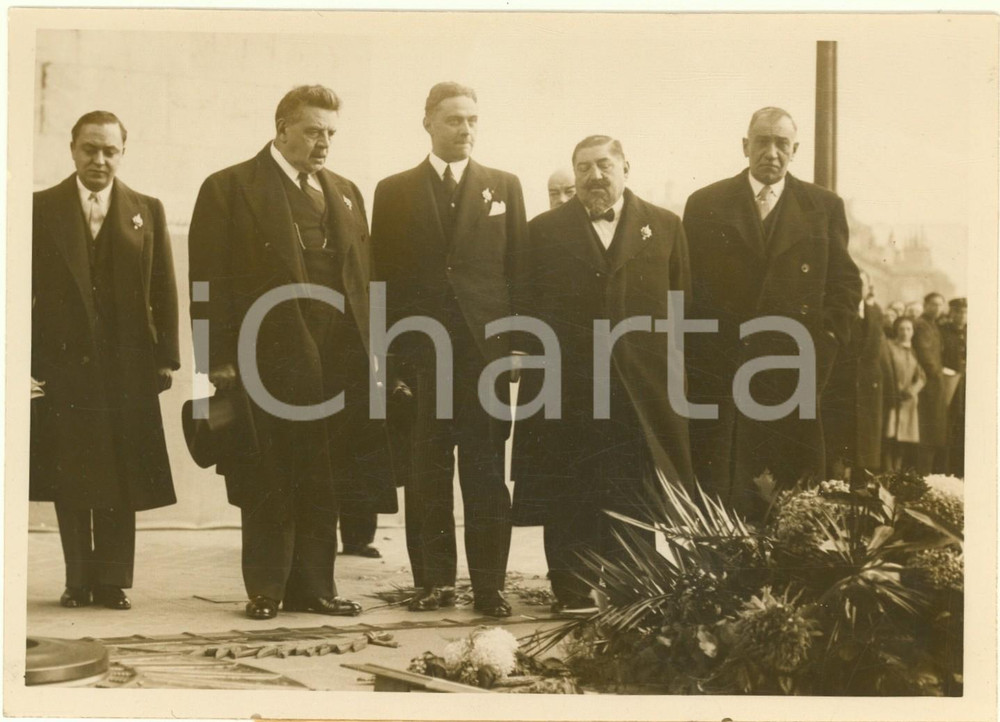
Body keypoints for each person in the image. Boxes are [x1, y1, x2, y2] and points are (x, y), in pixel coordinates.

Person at [188, 85, 394, 620]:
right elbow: (206, 282)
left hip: (338, 357)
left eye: (330, 133)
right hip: (266, 354)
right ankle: (266, 588)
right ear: (281, 128)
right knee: (268, 471)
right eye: (312, 131)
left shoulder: (346, 191)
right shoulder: (229, 187)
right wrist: (215, 358)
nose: (323, 142)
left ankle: (316, 588)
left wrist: (372, 352)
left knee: (324, 472)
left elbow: (362, 280)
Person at [512, 135, 694, 611]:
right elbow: (526, 308)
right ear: (574, 174)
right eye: (584, 167)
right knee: (570, 488)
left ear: (626, 167)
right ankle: (571, 589)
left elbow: (682, 311)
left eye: (604, 165)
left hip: (640, 389)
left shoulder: (666, 226)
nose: (594, 176)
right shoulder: (544, 231)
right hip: (568, 384)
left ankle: (634, 591)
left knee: (634, 490)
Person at [370, 82, 528, 618]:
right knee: (426, 472)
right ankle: (434, 581)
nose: (466, 130)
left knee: (485, 473)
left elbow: (518, 274)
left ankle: (489, 586)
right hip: (422, 356)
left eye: (473, 120)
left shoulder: (504, 186)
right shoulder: (393, 191)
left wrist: (518, 353)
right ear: (428, 123)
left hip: (485, 358)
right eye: (455, 120)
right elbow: (382, 283)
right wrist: (391, 362)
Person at [31, 110, 179, 610]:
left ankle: (112, 580)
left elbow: (164, 287)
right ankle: (77, 579)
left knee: (122, 469)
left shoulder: (147, 209)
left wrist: (167, 358)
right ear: (72, 149)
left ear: (122, 152)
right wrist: (23, 363)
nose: (99, 159)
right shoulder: (38, 207)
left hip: (127, 365)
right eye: (89, 149)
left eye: (109, 150)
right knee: (69, 472)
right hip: (63, 364)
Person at [683, 107, 862, 520]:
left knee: (788, 492)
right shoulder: (705, 203)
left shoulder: (822, 206)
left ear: (794, 150)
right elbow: (686, 289)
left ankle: (780, 581)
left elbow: (844, 287)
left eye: (781, 143)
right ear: (745, 146)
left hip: (792, 373)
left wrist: (824, 350)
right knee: (720, 491)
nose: (771, 152)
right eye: (762, 141)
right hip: (722, 374)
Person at [822, 270, 887, 481]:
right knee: (839, 442)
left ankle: (861, 493)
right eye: (856, 283)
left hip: (868, 389)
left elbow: (878, 352)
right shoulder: (840, 311)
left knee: (865, 448)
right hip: (842, 386)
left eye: (864, 284)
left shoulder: (876, 313)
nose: (860, 288)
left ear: (869, 288)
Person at [912, 292, 949, 474]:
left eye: (940, 305)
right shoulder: (921, 325)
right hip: (927, 384)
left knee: (933, 430)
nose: (937, 308)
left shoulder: (933, 326)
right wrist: (937, 374)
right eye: (933, 304)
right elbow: (926, 356)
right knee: (927, 430)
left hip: (936, 384)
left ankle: (925, 474)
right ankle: (921, 474)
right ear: (925, 304)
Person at [883, 316, 926, 471]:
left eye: (908, 329)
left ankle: (898, 471)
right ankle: (888, 472)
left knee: (903, 438)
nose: (905, 332)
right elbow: (886, 370)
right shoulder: (889, 347)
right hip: (892, 397)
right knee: (890, 436)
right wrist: (895, 390)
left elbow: (921, 376)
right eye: (901, 328)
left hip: (908, 400)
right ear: (896, 330)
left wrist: (913, 390)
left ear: (913, 332)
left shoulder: (913, 351)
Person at [940, 297, 967, 476]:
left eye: (964, 312)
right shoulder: (943, 331)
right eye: (957, 312)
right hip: (948, 384)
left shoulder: (973, 332)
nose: (961, 316)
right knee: (949, 425)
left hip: (967, 386)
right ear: (951, 313)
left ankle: (961, 471)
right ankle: (945, 470)